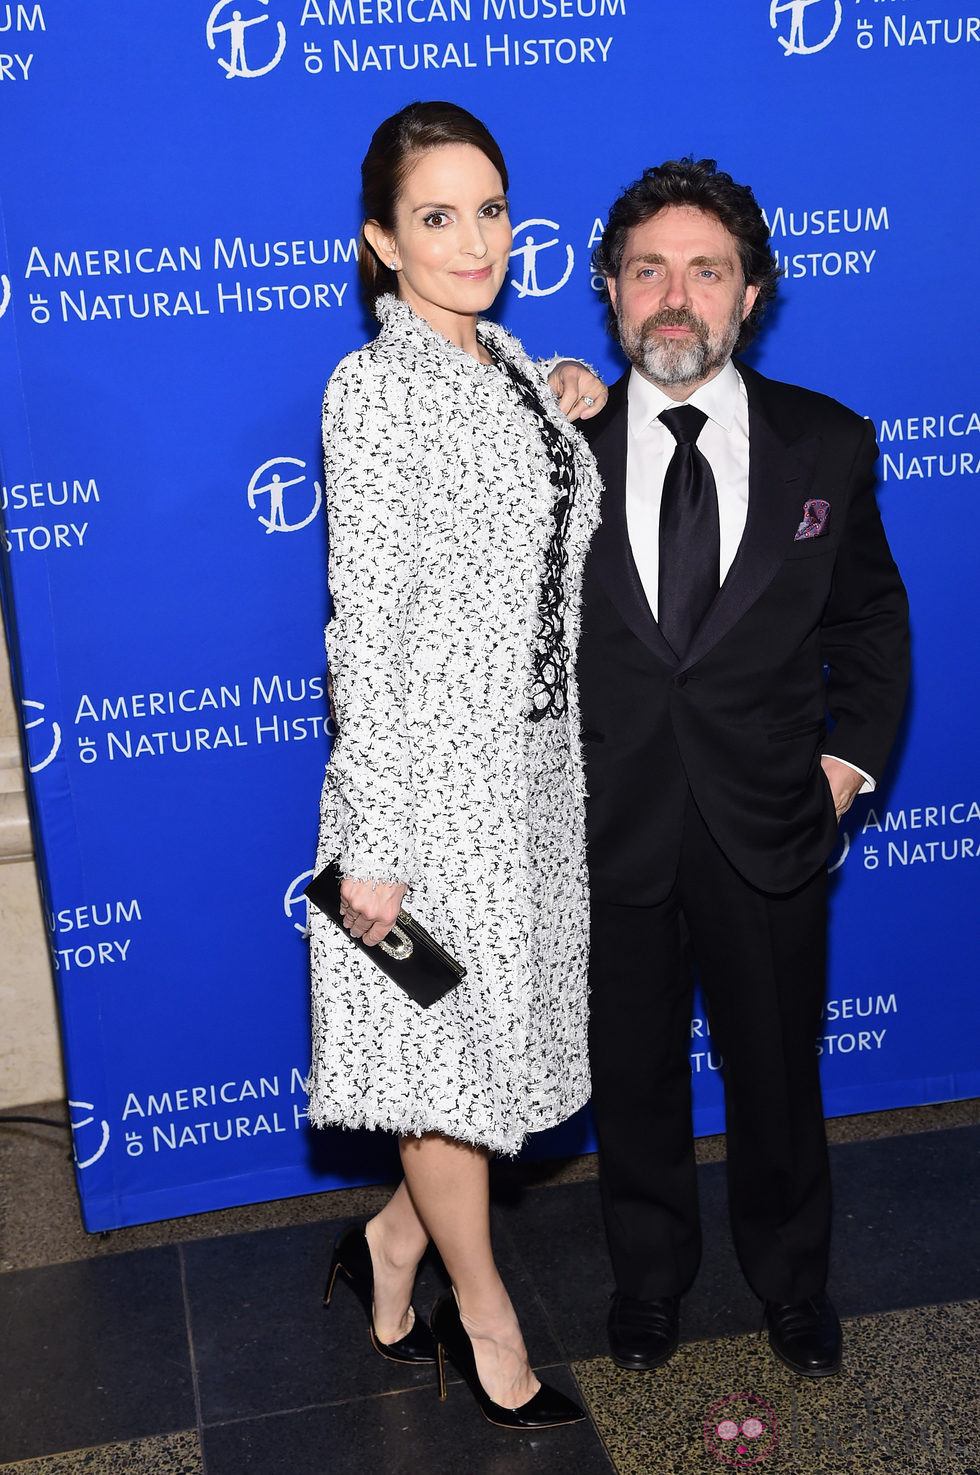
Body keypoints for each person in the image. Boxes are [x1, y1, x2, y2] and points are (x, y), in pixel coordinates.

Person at [578, 158, 909, 1379]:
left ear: (750, 294)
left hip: (767, 820)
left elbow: (870, 624)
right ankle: (648, 1279)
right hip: (603, 827)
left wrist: (844, 761)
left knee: (777, 1074)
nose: (674, 297)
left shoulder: (825, 445)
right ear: (610, 290)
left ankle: (790, 1284)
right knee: (632, 1076)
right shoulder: (553, 446)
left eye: (703, 271)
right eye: (648, 269)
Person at [306, 101, 605, 1428]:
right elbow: (364, 624)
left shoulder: (503, 361)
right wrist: (373, 840)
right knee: (440, 1067)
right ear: (382, 240)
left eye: (490, 210)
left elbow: (531, 518)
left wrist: (567, 401)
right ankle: (485, 1324)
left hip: (529, 773)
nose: (474, 239)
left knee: (481, 1057)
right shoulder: (374, 392)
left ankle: (393, 1238)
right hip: (424, 792)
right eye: (437, 216)